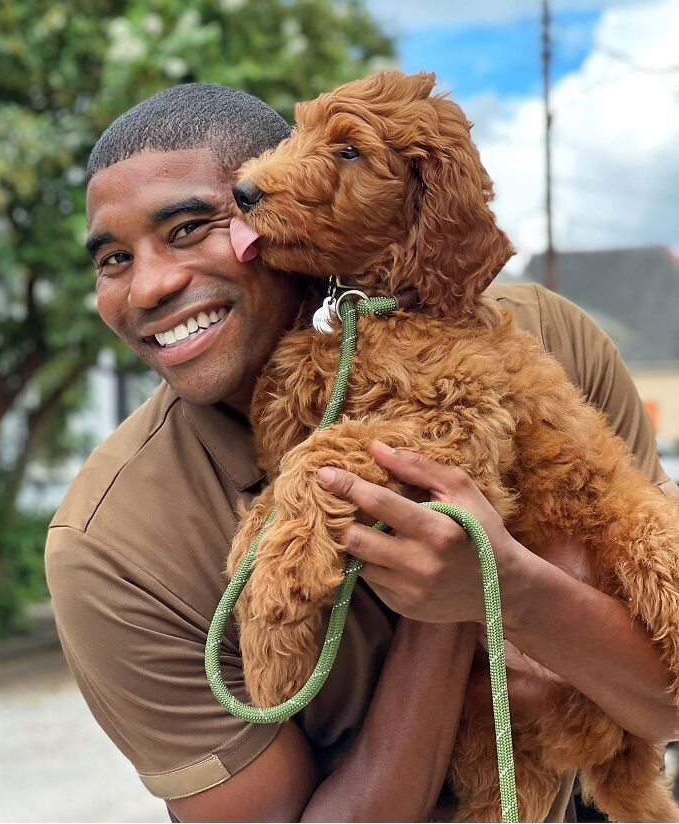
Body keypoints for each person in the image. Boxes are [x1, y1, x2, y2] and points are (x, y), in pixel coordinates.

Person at [45, 83, 679, 823]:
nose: (149, 286)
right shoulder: (111, 548)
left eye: (189, 228)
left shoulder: (547, 342)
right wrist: (447, 609)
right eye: (114, 259)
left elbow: (665, 702)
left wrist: (513, 589)